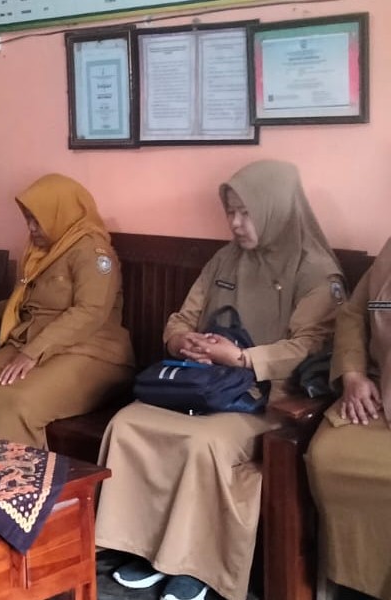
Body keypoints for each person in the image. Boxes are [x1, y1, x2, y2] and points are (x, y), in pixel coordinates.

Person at [95, 160, 345, 600]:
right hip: (205, 386)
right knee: (128, 423)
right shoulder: (226, 258)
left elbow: (311, 347)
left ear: (275, 208)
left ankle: (197, 567)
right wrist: (182, 341)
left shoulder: (316, 270)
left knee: (202, 443)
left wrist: (242, 358)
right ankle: (141, 547)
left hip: (268, 399)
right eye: (231, 212)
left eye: (247, 212)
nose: (236, 223)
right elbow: (182, 317)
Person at [0, 173, 135, 448]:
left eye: (37, 220)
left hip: (91, 353)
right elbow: (21, 301)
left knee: (20, 401)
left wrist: (32, 353)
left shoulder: (92, 252)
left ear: (61, 213)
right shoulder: (42, 251)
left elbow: (90, 312)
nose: (32, 228)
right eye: (28, 219)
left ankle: (17, 473)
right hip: (32, 344)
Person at [306, 237, 391, 600]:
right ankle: (351, 584)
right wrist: (353, 375)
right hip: (381, 394)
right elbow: (354, 314)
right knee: (327, 454)